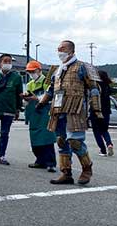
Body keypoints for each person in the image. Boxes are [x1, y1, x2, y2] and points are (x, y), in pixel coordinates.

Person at [38, 40, 102, 185]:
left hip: (76, 109)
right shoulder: (57, 69)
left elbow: (94, 88)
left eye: (63, 48)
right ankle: (66, 173)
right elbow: (50, 89)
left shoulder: (83, 67)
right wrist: (42, 103)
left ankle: (87, 168)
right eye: (58, 48)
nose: (60, 50)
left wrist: (97, 109)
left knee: (75, 142)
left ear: (72, 50)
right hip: (58, 108)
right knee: (61, 141)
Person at [22, 60, 56, 172]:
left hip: (45, 113)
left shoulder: (47, 82)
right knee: (35, 139)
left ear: (39, 70)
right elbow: (27, 101)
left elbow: (50, 96)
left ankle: (51, 163)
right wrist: (25, 98)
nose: (31, 74)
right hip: (34, 114)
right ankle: (40, 161)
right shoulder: (29, 84)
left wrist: (36, 98)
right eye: (29, 72)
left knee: (47, 138)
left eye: (33, 71)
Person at [90, 70, 113, 157]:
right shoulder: (107, 86)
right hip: (107, 111)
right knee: (104, 130)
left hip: (96, 111)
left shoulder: (95, 86)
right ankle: (109, 144)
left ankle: (103, 150)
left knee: (96, 132)